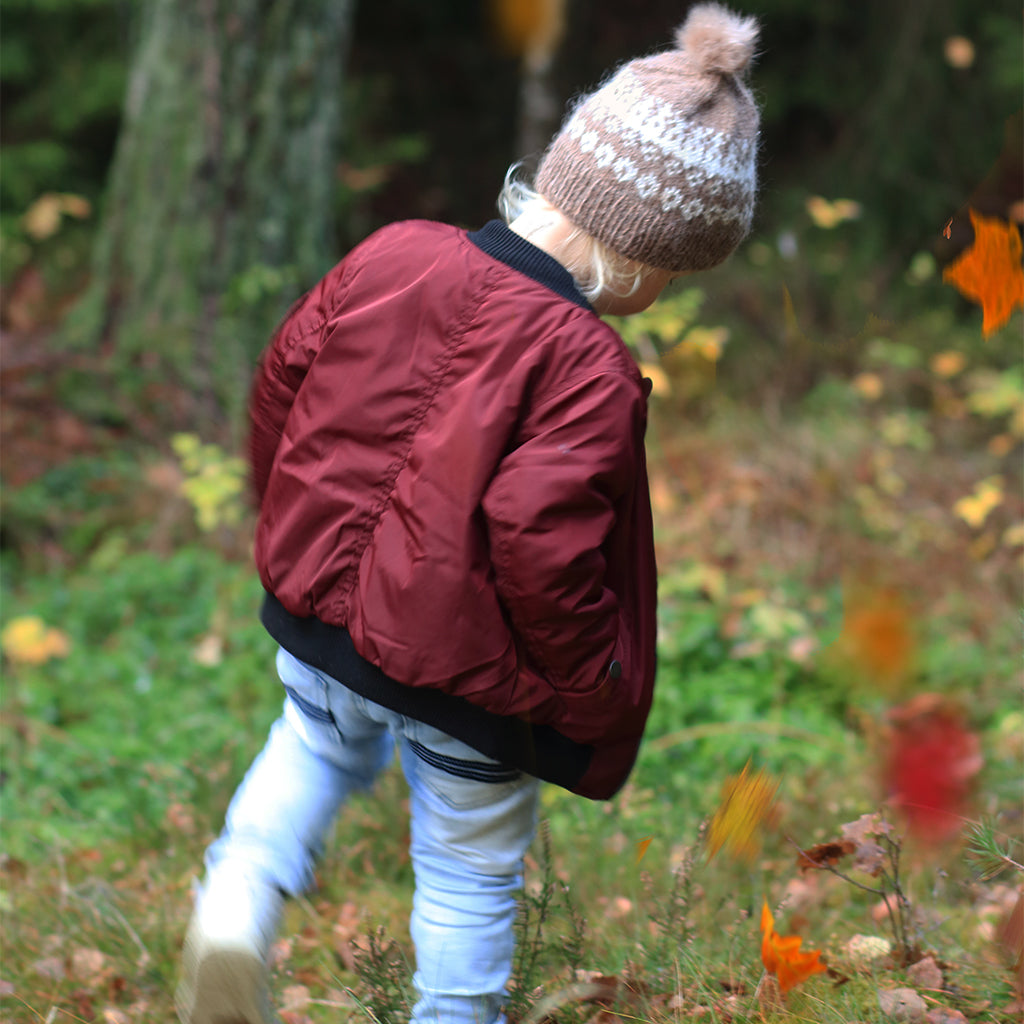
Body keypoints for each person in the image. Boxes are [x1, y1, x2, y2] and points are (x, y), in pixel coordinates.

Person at [175, 5, 760, 1023]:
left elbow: (282, 383)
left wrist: (292, 528)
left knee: (308, 749)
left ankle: (234, 907)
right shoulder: (590, 369)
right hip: (467, 682)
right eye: (671, 275)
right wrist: (586, 680)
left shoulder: (395, 252)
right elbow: (542, 545)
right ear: (639, 256)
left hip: (321, 630)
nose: (662, 295)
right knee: (466, 866)